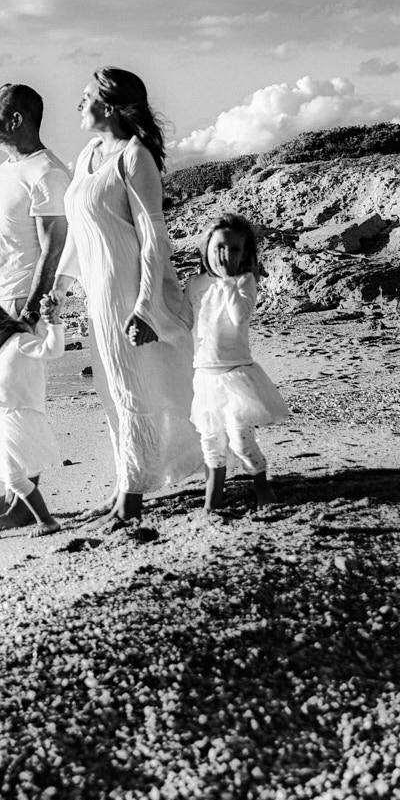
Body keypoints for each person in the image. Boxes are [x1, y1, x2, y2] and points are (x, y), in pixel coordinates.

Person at [60, 67, 199, 531]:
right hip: (97, 296)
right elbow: (79, 230)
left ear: (111, 105)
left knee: (131, 389)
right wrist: (59, 285)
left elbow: (154, 238)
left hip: (127, 293)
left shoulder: (135, 157)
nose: (79, 104)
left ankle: (132, 499)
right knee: (110, 392)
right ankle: (124, 485)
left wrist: (145, 306)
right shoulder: (87, 155)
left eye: (86, 97)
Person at [0, 84, 71, 525]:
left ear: (15, 119)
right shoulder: (8, 169)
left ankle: (23, 506)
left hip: (18, 306)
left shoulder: (47, 173)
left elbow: (55, 244)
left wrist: (29, 312)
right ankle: (10, 497)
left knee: (20, 404)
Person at [186, 214, 291, 511]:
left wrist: (228, 280)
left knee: (241, 441)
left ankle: (262, 486)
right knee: (210, 443)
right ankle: (213, 501)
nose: (226, 254)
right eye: (219, 247)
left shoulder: (245, 280)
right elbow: (182, 321)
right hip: (204, 376)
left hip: (236, 375)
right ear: (206, 248)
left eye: (235, 249)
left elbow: (239, 316)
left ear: (245, 254)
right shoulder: (195, 284)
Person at [0, 298, 64, 540]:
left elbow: (53, 350)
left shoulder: (20, 342)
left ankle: (46, 521)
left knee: (13, 477)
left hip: (18, 418)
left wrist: (54, 324)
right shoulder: (3, 348)